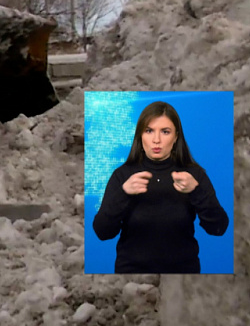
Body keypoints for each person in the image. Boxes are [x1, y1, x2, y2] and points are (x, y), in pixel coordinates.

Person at [92, 101, 229, 273]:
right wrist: (124, 193)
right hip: (133, 275)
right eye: (149, 131)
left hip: (182, 277)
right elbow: (102, 232)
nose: (156, 140)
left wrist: (197, 191)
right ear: (140, 135)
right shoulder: (122, 175)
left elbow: (218, 228)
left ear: (176, 136)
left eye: (165, 132)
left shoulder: (194, 175)